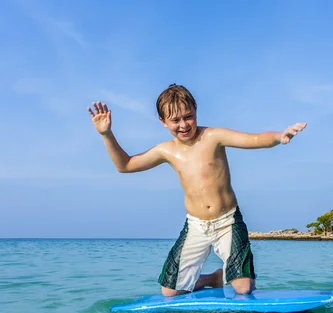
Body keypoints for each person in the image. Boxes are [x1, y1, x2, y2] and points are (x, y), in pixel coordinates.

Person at [88, 84, 306, 296]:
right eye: (175, 120)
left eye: (188, 116)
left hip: (227, 221)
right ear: (163, 122)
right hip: (195, 225)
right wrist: (106, 134)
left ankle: (232, 276)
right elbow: (124, 166)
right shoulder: (165, 151)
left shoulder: (213, 136)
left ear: (195, 112)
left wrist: (279, 136)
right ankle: (210, 279)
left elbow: (255, 138)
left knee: (244, 288)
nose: (183, 125)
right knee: (170, 291)